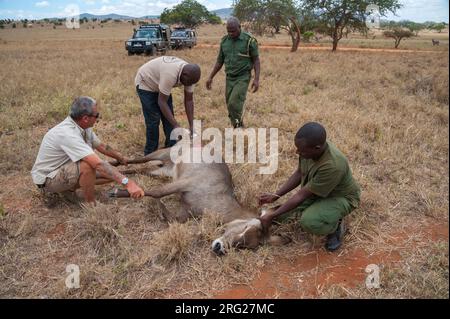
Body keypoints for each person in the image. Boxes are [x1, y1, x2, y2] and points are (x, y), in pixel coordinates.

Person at [259, 122, 361, 251]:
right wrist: (276, 196)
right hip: (318, 192)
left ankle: (336, 225)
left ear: (317, 148)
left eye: (301, 151)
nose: (297, 152)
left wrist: (271, 216)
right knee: (280, 216)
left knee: (309, 222)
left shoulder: (333, 165)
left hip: (340, 197)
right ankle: (320, 211)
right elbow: (299, 173)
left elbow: (301, 195)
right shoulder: (309, 149)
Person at [31, 96, 145, 204]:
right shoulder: (67, 134)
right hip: (48, 180)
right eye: (97, 115)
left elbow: (101, 146)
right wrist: (128, 183)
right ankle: (90, 204)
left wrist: (119, 157)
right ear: (85, 118)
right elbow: (97, 164)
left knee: (111, 174)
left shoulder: (83, 127)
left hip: (63, 169)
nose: (98, 118)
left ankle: (69, 189)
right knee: (88, 165)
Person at [135, 56, 201, 155]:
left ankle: (171, 148)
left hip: (160, 85)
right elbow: (161, 102)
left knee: (169, 118)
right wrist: (176, 125)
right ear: (184, 75)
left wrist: (191, 125)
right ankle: (150, 153)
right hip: (146, 82)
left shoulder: (190, 77)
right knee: (153, 120)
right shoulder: (170, 74)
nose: (188, 85)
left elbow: (189, 100)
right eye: (188, 83)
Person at [206, 17, 260, 128]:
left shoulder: (249, 40)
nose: (231, 33)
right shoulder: (224, 41)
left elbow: (256, 60)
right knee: (229, 104)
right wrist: (210, 77)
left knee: (234, 103)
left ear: (239, 27)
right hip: (229, 77)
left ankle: (238, 126)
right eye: (228, 31)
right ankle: (237, 125)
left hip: (243, 77)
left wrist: (256, 79)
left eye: (233, 30)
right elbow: (219, 61)